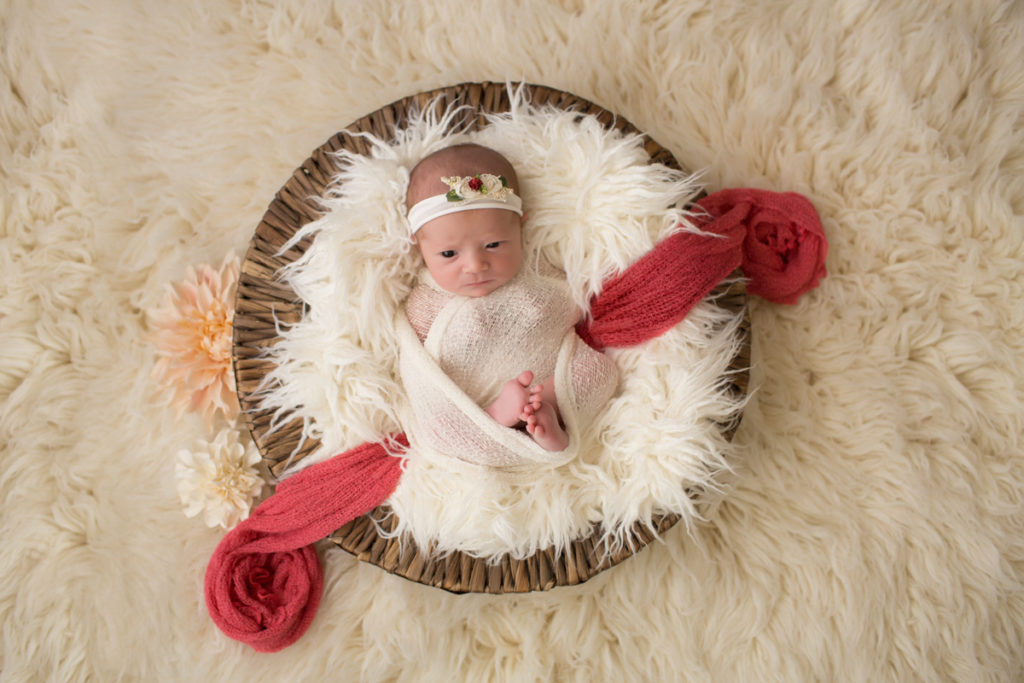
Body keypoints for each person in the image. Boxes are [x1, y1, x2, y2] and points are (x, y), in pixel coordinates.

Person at [401, 143, 619, 459]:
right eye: (449, 254)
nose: (475, 265)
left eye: (493, 244)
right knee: (433, 425)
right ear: (418, 247)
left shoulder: (539, 267)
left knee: (598, 371)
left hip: (544, 380)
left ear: (520, 227)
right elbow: (421, 368)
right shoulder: (424, 301)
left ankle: (548, 416)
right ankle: (495, 418)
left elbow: (569, 302)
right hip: (470, 401)